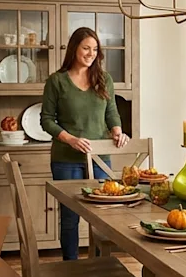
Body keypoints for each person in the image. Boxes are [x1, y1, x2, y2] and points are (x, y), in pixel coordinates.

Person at [41, 26, 129, 260]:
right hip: (65, 160)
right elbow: (47, 120)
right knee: (70, 217)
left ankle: (99, 266)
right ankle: (71, 267)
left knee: (102, 216)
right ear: (74, 49)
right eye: (86, 48)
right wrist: (69, 139)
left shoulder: (104, 79)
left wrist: (117, 131)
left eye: (95, 49)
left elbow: (111, 112)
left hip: (100, 158)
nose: (91, 53)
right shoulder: (56, 81)